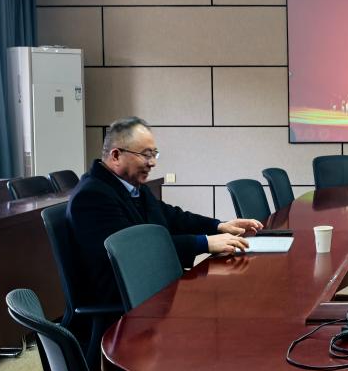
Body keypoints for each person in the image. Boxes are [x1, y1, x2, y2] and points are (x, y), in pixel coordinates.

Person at [68, 116, 263, 306]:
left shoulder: (132, 185)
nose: (153, 162)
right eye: (146, 155)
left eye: (154, 154)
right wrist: (204, 243)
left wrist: (219, 226)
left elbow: (172, 217)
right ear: (116, 155)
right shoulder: (92, 196)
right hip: (124, 305)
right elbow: (134, 252)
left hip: (152, 289)